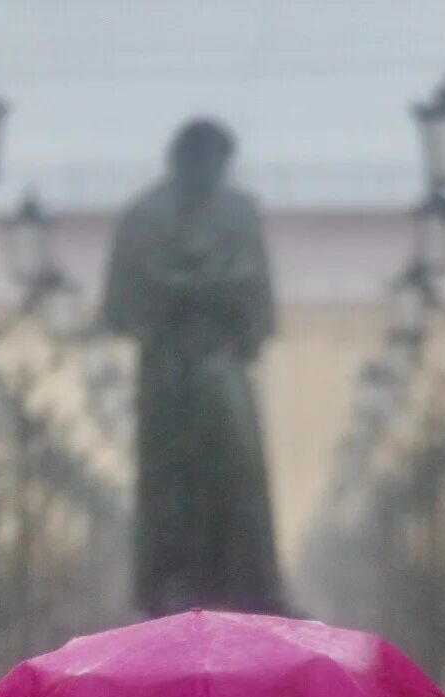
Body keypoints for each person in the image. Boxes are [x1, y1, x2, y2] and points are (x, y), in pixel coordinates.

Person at [103, 117, 285, 617]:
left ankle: (248, 580)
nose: (215, 173)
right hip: (168, 366)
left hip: (219, 358)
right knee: (172, 476)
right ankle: (171, 580)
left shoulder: (240, 212)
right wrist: (205, 294)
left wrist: (187, 291)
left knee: (238, 465)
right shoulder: (143, 216)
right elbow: (121, 307)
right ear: (182, 159)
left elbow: (256, 300)